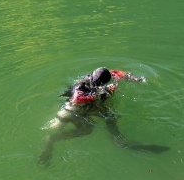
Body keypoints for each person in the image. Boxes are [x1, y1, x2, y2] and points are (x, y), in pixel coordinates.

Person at [38, 67, 168, 166]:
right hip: (72, 110)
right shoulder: (82, 85)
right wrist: (101, 92)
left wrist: (134, 79)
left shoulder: (100, 76)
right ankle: (51, 139)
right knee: (56, 126)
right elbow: (77, 97)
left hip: (81, 110)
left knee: (87, 130)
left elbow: (116, 72)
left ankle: (53, 138)